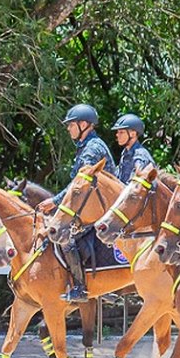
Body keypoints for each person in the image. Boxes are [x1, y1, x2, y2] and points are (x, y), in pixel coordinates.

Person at [36, 103, 116, 302]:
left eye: (71, 125)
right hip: (94, 203)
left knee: (66, 237)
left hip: (100, 206)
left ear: (84, 125)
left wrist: (55, 202)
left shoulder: (92, 149)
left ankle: (81, 287)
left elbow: (78, 186)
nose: (68, 128)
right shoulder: (86, 147)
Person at [111, 113, 155, 183]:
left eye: (121, 132)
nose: (117, 135)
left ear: (133, 134)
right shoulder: (125, 152)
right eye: (117, 132)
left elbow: (135, 184)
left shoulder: (140, 156)